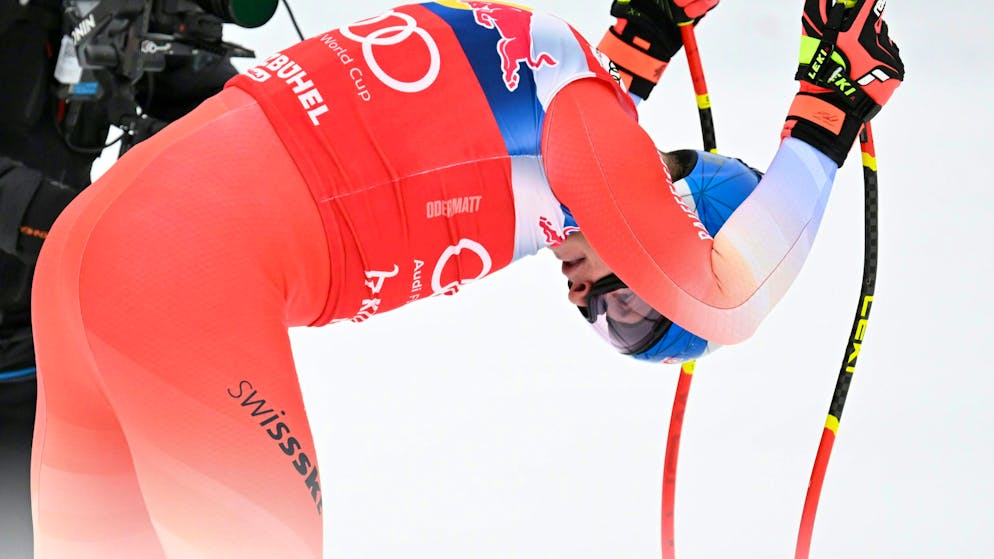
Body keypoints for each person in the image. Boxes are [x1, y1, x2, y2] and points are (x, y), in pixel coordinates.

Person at [28, 0, 903, 557]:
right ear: (678, 214)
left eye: (616, 326)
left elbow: (550, 102)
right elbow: (733, 296)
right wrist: (827, 113)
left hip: (86, 260)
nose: (590, 302)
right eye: (638, 300)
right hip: (174, 275)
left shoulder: (558, 127)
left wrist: (651, 27)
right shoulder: (583, 121)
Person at [0, 0, 267, 556]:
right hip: (46, 269)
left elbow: (208, 106)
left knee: (45, 529)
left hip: (40, 349)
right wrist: (66, 221)